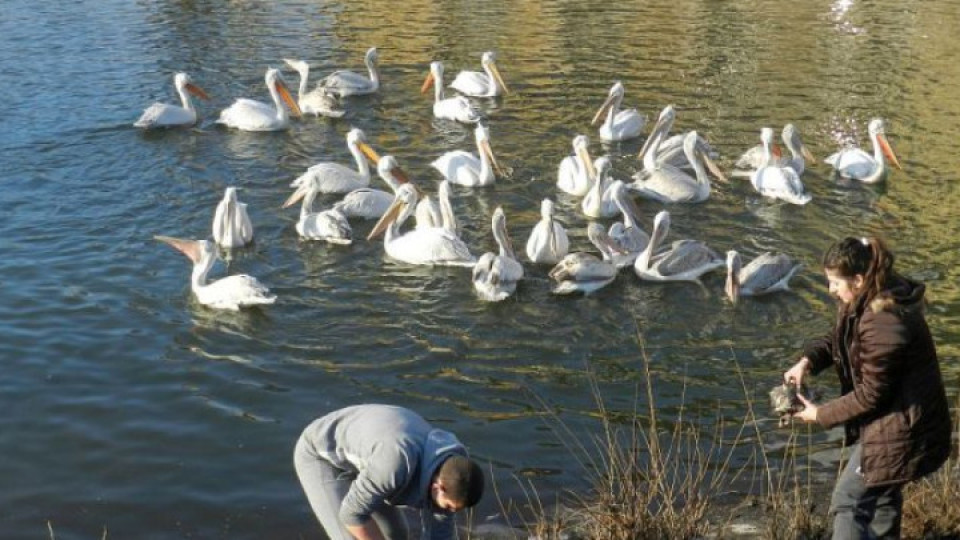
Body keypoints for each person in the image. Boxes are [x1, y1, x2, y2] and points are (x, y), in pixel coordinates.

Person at [784, 236, 951, 539]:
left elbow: (871, 394)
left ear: (858, 280)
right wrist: (807, 361)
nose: (830, 289)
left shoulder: (883, 319)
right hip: (897, 421)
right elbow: (841, 338)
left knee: (848, 504)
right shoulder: (868, 297)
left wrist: (820, 415)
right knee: (884, 496)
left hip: (903, 428)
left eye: (835, 282)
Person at [293, 404, 484, 540]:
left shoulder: (452, 472)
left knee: (397, 535)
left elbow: (439, 533)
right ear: (438, 486)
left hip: (373, 458)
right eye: (450, 507)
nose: (449, 512)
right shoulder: (396, 462)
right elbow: (351, 514)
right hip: (322, 454)